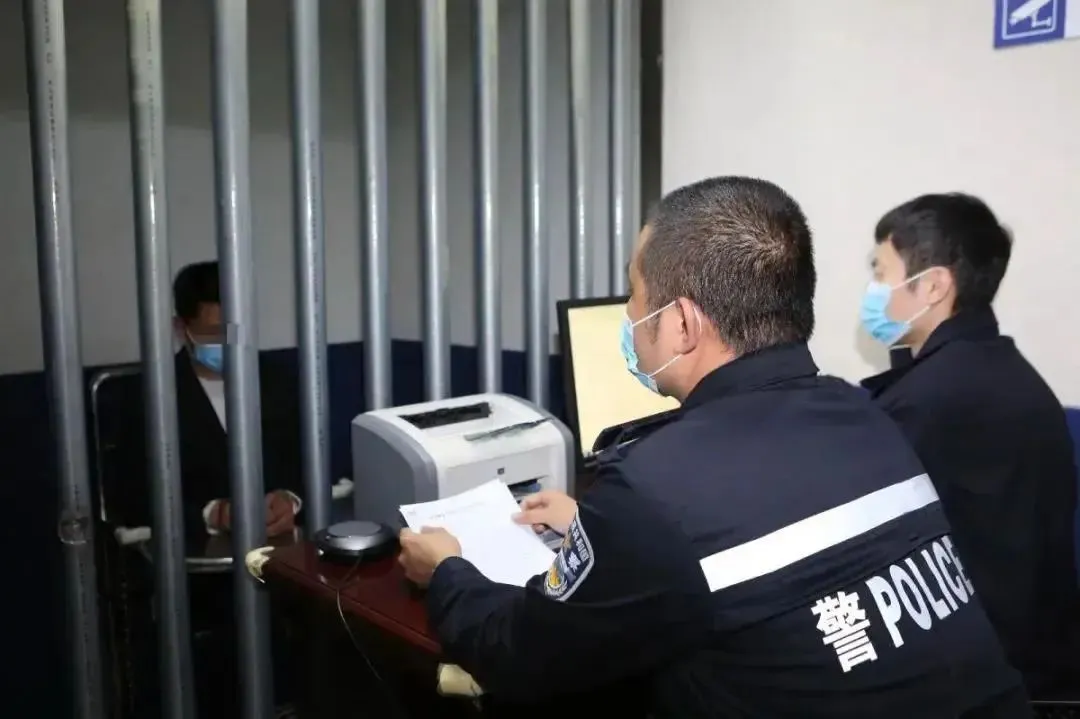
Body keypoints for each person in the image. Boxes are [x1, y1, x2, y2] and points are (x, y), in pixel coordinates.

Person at [398, 177, 1030, 717]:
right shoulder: (861, 415)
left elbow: (524, 654)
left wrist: (448, 571)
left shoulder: (655, 488)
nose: (628, 317)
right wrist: (603, 531)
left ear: (680, 323)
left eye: (634, 296)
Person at [859, 193, 1080, 697]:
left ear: (934, 284)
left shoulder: (932, 397)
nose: (873, 291)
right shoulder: (994, 367)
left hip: (979, 669)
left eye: (880, 272)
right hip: (1036, 648)